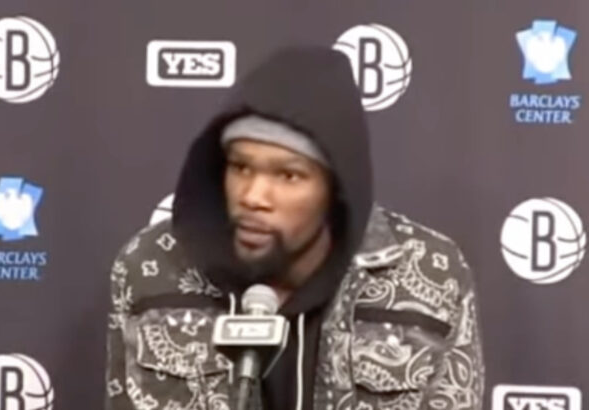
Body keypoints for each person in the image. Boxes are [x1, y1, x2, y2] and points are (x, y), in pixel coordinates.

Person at [105, 45, 485, 410]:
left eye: (288, 175)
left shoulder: (429, 274)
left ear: (336, 187)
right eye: (240, 167)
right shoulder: (151, 267)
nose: (253, 196)